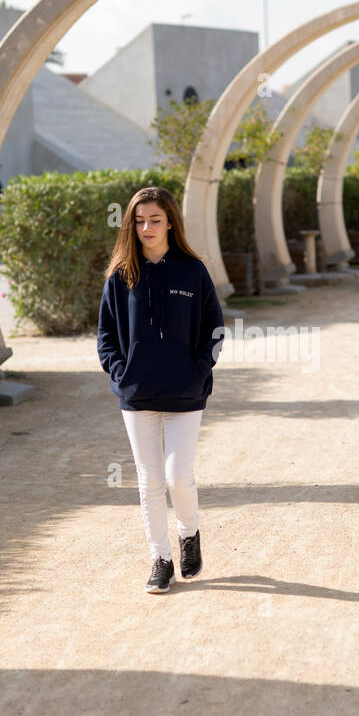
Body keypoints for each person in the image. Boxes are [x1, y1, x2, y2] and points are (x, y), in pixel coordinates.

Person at [97, 186, 225, 594]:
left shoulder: (193, 271)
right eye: (139, 221)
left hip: (186, 394)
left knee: (177, 477)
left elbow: (216, 330)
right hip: (137, 397)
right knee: (149, 481)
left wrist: (199, 367)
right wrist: (121, 375)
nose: (147, 228)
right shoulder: (121, 276)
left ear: (170, 221)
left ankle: (189, 534)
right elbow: (105, 338)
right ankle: (161, 560)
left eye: (154, 219)